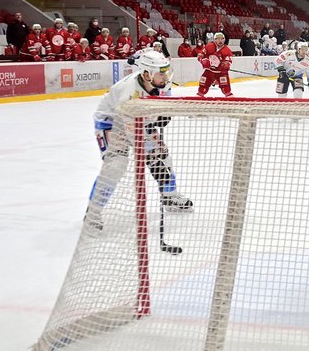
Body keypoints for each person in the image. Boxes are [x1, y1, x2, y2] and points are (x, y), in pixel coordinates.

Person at [83, 50, 192, 230]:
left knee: (162, 156)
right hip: (112, 123)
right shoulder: (129, 93)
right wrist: (151, 160)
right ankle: (93, 212)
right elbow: (132, 132)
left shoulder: (163, 83)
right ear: (147, 74)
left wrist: (163, 114)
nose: (165, 76)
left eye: (166, 71)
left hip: (139, 120)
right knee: (115, 166)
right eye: (161, 73)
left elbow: (164, 104)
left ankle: (169, 195)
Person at [197, 32, 234, 98]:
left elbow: (229, 60)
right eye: (218, 39)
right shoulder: (209, 46)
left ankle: (229, 97)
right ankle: (199, 96)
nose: (220, 40)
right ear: (215, 40)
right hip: (209, 71)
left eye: (222, 39)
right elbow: (200, 55)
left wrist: (226, 64)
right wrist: (203, 61)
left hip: (221, 72)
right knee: (202, 87)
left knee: (226, 89)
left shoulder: (227, 50)